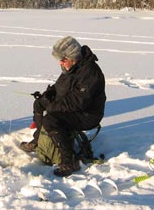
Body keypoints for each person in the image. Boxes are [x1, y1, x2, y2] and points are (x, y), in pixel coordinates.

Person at [20, 36, 106, 176]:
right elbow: (60, 86)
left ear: (73, 57)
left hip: (87, 114)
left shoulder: (90, 73)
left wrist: (52, 106)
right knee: (39, 103)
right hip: (75, 107)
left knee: (51, 120)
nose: (61, 62)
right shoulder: (72, 67)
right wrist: (48, 95)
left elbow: (77, 102)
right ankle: (38, 140)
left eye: (63, 59)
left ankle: (69, 161)